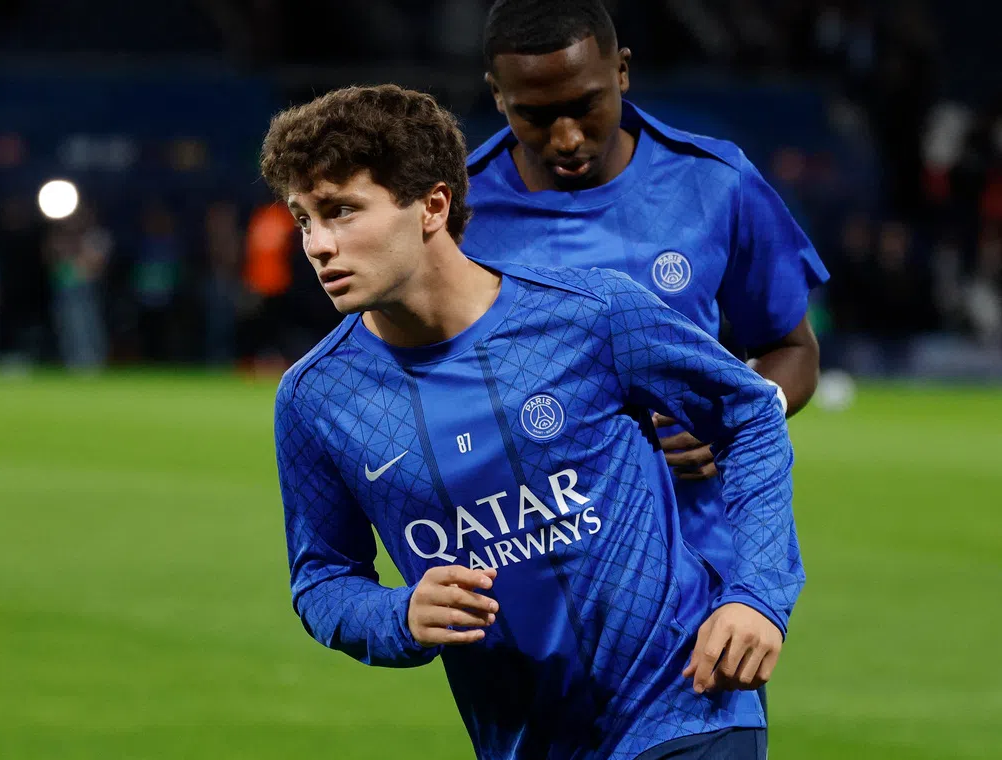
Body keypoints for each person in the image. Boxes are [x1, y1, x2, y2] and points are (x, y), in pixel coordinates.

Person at [264, 84, 803, 760]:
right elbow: (323, 579)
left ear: (432, 206)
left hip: (686, 707)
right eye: (303, 218)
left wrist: (757, 594)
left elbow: (749, 413)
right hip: (524, 740)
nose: (317, 244)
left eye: (342, 211)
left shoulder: (592, 315)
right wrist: (399, 615)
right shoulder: (316, 399)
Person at [464, 0, 829, 703]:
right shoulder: (456, 214)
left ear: (622, 72)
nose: (565, 137)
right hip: (533, 598)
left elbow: (791, 347)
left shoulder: (712, 184)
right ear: (496, 96)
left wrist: (741, 414)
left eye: (585, 105)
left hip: (696, 588)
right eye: (535, 116)